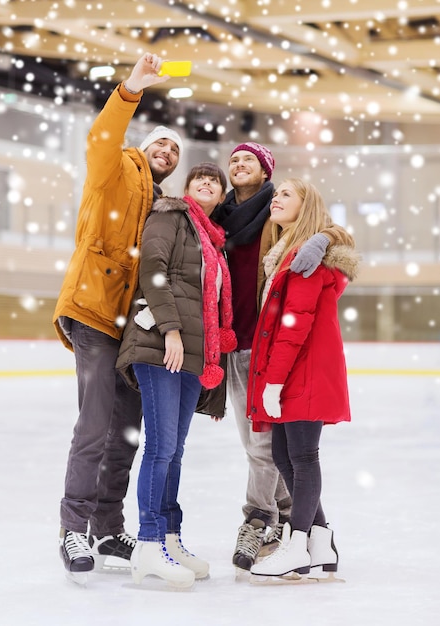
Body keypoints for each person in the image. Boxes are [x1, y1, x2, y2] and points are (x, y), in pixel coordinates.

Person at [52, 52, 184, 580]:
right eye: (162, 142)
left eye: (175, 148)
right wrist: (130, 90)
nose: (168, 151)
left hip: (132, 326)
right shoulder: (117, 169)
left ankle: (108, 527)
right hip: (92, 309)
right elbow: (102, 139)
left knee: (126, 429)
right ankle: (74, 528)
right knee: (95, 422)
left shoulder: (162, 204)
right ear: (144, 147)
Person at [212, 142, 353, 571]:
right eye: (232, 159)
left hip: (281, 356)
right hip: (244, 349)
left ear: (266, 171)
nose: (238, 165)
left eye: (249, 160)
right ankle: (315, 537)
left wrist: (324, 237)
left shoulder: (294, 243)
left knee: (286, 453)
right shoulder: (220, 220)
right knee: (277, 451)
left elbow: (329, 231)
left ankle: (280, 530)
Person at [116, 162, 236, 588]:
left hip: (194, 353)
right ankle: (148, 543)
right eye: (199, 178)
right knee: (162, 446)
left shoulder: (214, 241)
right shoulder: (169, 216)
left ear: (221, 196)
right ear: (186, 188)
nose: (207, 182)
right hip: (161, 344)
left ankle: (168, 535)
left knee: (176, 449)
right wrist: (169, 330)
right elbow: (153, 270)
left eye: (215, 181)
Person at [246, 178, 360, 579]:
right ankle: (321, 539)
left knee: (302, 456)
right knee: (283, 455)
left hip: (304, 369)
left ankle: (297, 544)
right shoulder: (287, 254)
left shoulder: (306, 259)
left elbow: (294, 325)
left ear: (305, 205)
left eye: (286, 195)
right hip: (295, 368)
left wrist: (273, 382)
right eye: (276, 194)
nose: (276, 198)